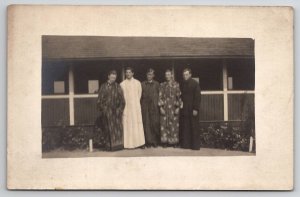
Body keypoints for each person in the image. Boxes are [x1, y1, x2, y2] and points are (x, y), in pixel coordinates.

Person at [96, 70, 125, 151]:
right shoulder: (103, 86)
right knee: (107, 129)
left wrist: (119, 110)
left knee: (116, 129)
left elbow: (122, 100)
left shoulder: (118, 86)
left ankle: (117, 146)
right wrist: (103, 109)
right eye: (112, 76)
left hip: (116, 112)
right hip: (106, 112)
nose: (113, 78)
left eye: (115, 77)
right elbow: (99, 100)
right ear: (108, 76)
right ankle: (108, 146)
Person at [120, 67, 145, 148]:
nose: (128, 74)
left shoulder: (137, 83)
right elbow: (121, 97)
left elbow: (139, 95)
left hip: (135, 107)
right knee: (127, 124)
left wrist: (135, 104)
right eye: (126, 72)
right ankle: (128, 144)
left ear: (133, 73)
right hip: (126, 107)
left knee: (137, 124)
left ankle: (138, 143)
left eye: (130, 72)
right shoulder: (122, 84)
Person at [158, 69, 182, 147]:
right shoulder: (162, 85)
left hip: (173, 107)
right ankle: (165, 142)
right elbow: (160, 97)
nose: (167, 76)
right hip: (164, 107)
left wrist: (178, 108)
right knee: (164, 124)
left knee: (173, 124)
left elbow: (179, 97)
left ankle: (173, 142)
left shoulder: (176, 84)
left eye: (169, 74)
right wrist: (161, 108)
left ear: (171, 75)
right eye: (166, 75)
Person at [180, 68, 201, 150]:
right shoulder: (182, 84)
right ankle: (186, 145)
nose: (185, 76)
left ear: (190, 74)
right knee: (186, 127)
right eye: (184, 74)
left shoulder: (195, 84)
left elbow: (198, 97)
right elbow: (180, 95)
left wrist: (196, 108)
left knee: (194, 127)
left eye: (187, 74)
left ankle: (195, 146)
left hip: (192, 108)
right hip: (185, 108)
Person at [141, 68, 160, 148]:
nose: (149, 76)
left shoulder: (157, 84)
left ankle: (154, 141)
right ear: (146, 75)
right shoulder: (142, 84)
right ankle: (148, 142)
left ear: (153, 75)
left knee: (154, 124)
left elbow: (160, 95)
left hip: (154, 107)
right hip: (145, 107)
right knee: (146, 124)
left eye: (151, 74)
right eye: (148, 74)